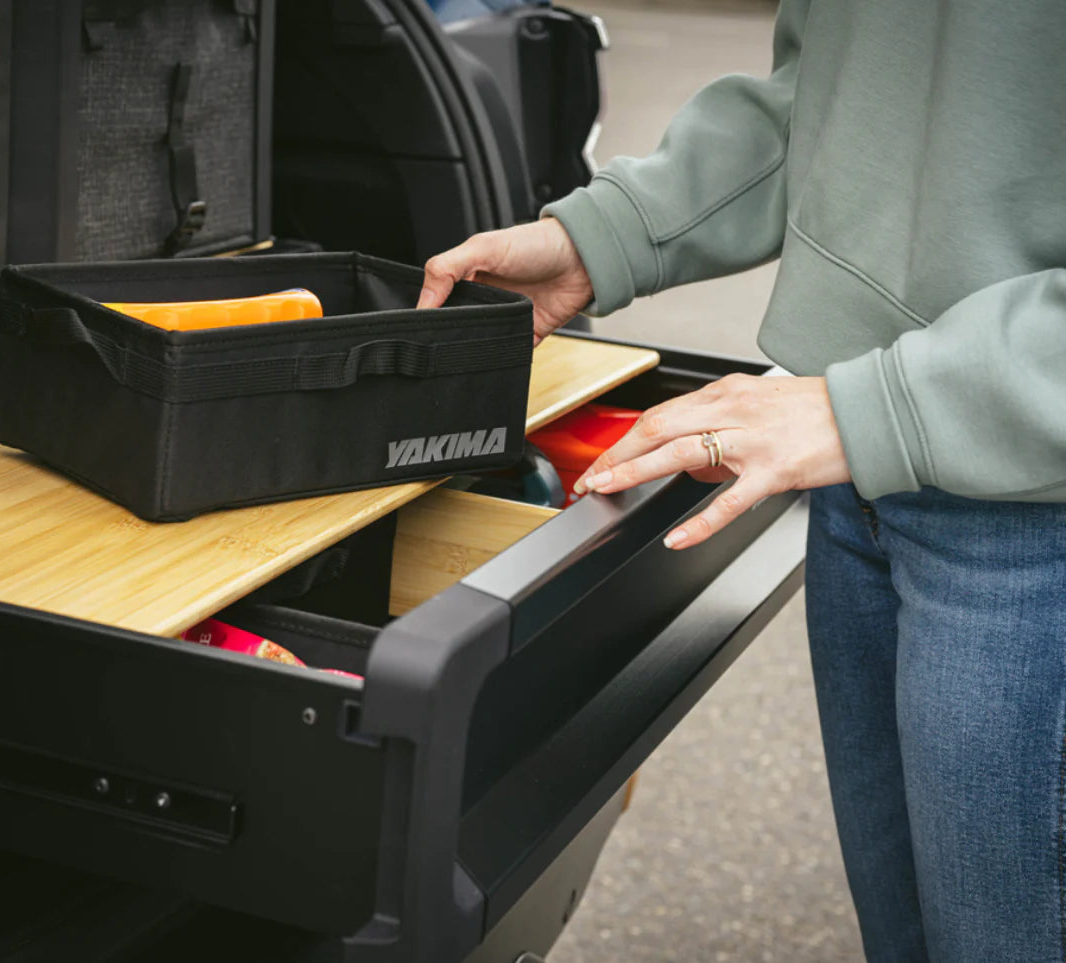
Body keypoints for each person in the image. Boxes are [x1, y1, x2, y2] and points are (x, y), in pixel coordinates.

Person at [419, 2, 1066, 960]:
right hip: (854, 466)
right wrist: (607, 233)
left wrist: (877, 406)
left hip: (1031, 516)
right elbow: (826, 100)